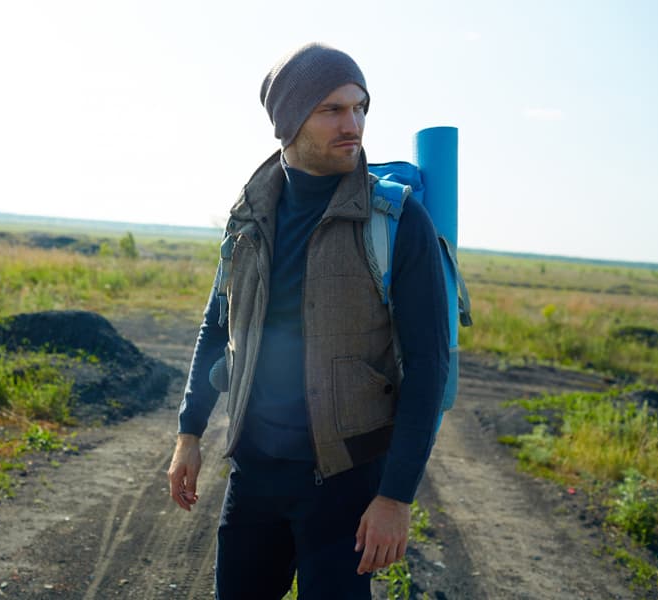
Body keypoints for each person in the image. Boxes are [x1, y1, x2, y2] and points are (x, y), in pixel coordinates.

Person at [167, 42, 450, 599]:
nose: (355, 124)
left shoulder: (395, 220)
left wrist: (395, 497)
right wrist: (189, 430)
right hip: (254, 479)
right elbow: (217, 326)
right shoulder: (249, 216)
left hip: (346, 486)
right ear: (290, 120)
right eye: (333, 110)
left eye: (361, 107)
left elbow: (428, 366)